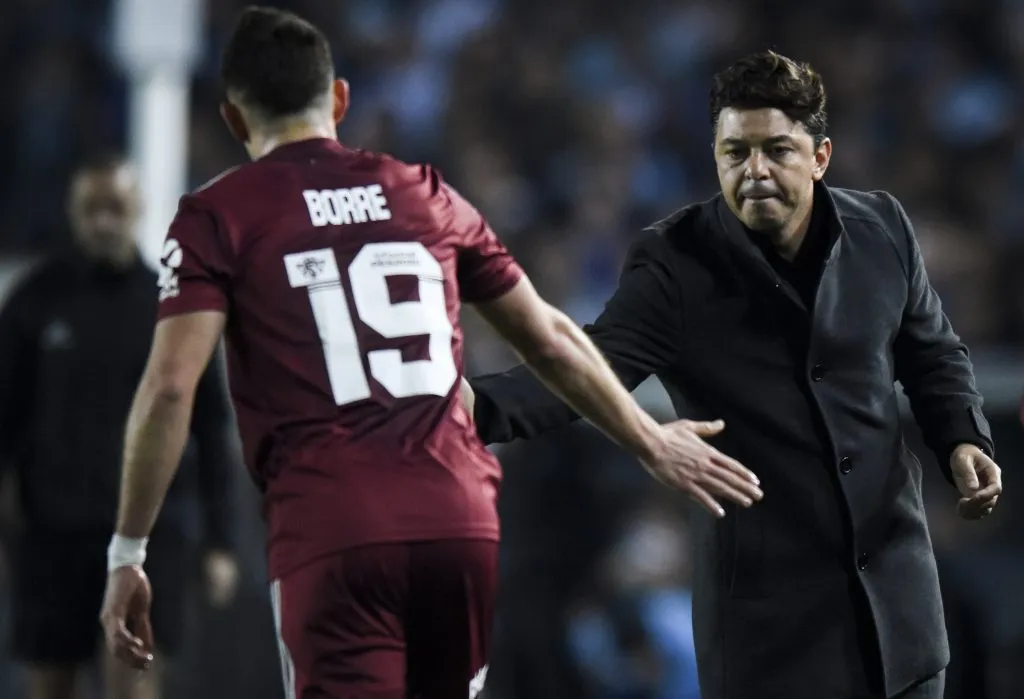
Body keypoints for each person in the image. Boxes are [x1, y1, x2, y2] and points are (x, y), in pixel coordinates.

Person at [97, 8, 762, 699]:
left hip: (334, 524)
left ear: (234, 118)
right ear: (339, 100)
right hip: (457, 518)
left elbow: (170, 388)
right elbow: (550, 337)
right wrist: (649, 439)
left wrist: (128, 551)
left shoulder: (219, 215)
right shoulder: (425, 193)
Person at [461, 50, 1004, 699]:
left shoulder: (881, 228)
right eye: (735, 152)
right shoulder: (675, 262)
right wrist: (462, 408)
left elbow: (934, 353)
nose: (755, 170)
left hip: (900, 623)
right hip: (771, 639)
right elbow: (587, 367)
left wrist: (962, 437)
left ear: (820, 157)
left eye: (777, 150)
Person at [0, 155, 241, 699]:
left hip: (153, 535)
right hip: (54, 534)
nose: (103, 221)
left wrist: (221, 541)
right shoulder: (32, 304)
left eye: (115, 207)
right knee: (49, 681)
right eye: (91, 209)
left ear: (138, 208)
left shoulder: (172, 307)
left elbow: (211, 429)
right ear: (73, 211)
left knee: (135, 680)